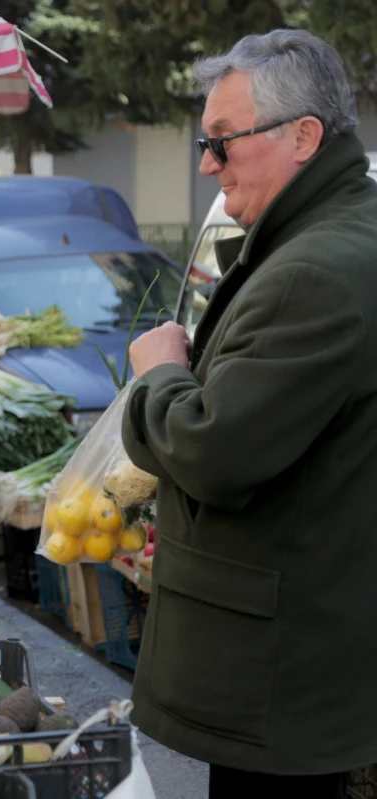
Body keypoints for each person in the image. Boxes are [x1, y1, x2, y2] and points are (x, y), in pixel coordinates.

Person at [121, 30, 377, 799]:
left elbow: (215, 450)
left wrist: (160, 375)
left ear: (304, 137)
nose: (207, 164)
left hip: (279, 669)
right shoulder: (335, 236)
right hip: (301, 648)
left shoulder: (317, 268)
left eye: (222, 140)